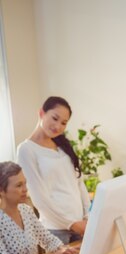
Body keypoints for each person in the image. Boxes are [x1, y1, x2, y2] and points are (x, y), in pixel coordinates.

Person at [16, 96, 90, 244]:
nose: (58, 126)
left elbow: (79, 183)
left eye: (64, 123)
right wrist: (71, 224)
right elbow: (39, 198)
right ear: (41, 113)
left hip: (82, 225)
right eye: (54, 118)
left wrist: (87, 216)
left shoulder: (63, 146)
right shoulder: (26, 150)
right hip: (56, 231)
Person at [0, 162, 78, 254]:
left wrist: (63, 249)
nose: (25, 189)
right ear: (1, 190)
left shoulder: (26, 211)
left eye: (25, 183)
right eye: (19, 185)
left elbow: (47, 239)